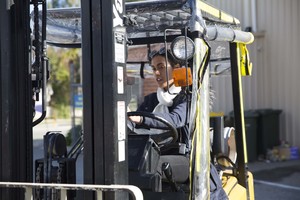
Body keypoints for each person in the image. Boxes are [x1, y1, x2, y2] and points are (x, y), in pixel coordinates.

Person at [128, 47, 190, 152]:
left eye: (161, 67)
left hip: (182, 157)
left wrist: (141, 119)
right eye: (153, 68)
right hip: (154, 154)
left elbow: (176, 119)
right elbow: (134, 123)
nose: (156, 73)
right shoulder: (151, 100)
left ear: (176, 68)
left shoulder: (186, 98)